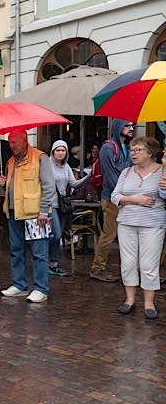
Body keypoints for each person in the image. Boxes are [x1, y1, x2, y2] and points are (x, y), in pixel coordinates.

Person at [0, 129, 56, 303]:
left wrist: (44, 211)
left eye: (14, 142)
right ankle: (19, 285)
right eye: (9, 143)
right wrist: (2, 183)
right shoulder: (10, 161)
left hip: (35, 214)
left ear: (24, 140)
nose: (11, 146)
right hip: (15, 212)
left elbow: (49, 187)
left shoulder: (40, 158)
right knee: (16, 251)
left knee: (39, 253)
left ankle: (41, 288)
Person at [111, 137, 166, 320]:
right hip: (127, 222)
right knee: (127, 263)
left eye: (138, 150)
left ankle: (149, 303)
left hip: (152, 224)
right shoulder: (126, 172)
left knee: (149, 264)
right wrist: (136, 199)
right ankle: (130, 300)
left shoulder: (161, 172)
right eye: (132, 150)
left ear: (150, 153)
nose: (133, 153)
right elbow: (115, 196)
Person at [90, 120, 134, 282]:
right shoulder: (109, 148)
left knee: (128, 235)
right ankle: (97, 268)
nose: (131, 128)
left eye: (132, 126)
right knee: (109, 234)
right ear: (118, 127)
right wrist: (125, 194)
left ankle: (134, 270)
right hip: (113, 199)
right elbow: (110, 176)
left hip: (127, 198)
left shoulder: (128, 148)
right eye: (127, 126)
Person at [48, 140, 91, 276]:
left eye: (63, 150)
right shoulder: (46, 166)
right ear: (53, 152)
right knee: (56, 234)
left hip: (62, 205)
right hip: (49, 204)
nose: (60, 153)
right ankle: (45, 261)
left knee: (58, 235)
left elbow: (74, 184)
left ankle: (53, 264)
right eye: (58, 150)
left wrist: (89, 176)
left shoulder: (66, 167)